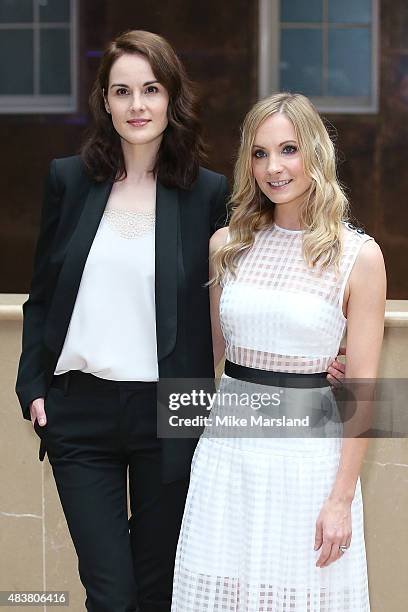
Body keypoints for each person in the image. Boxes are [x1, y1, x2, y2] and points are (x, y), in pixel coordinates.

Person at [15, 30, 230, 612]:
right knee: (112, 593)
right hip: (78, 411)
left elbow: (240, 290)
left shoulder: (208, 194)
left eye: (150, 89)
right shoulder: (68, 179)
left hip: (171, 409)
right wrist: (32, 384)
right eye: (122, 91)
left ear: (171, 98)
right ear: (105, 102)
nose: (137, 105)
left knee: (157, 590)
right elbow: (43, 293)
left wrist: (325, 349)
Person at [171, 93, 386, 611]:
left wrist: (340, 500)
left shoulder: (359, 256)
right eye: (260, 152)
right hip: (227, 457)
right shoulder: (228, 244)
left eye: (288, 149)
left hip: (308, 465)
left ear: (315, 153)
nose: (275, 167)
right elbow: (213, 352)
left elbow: (362, 390)